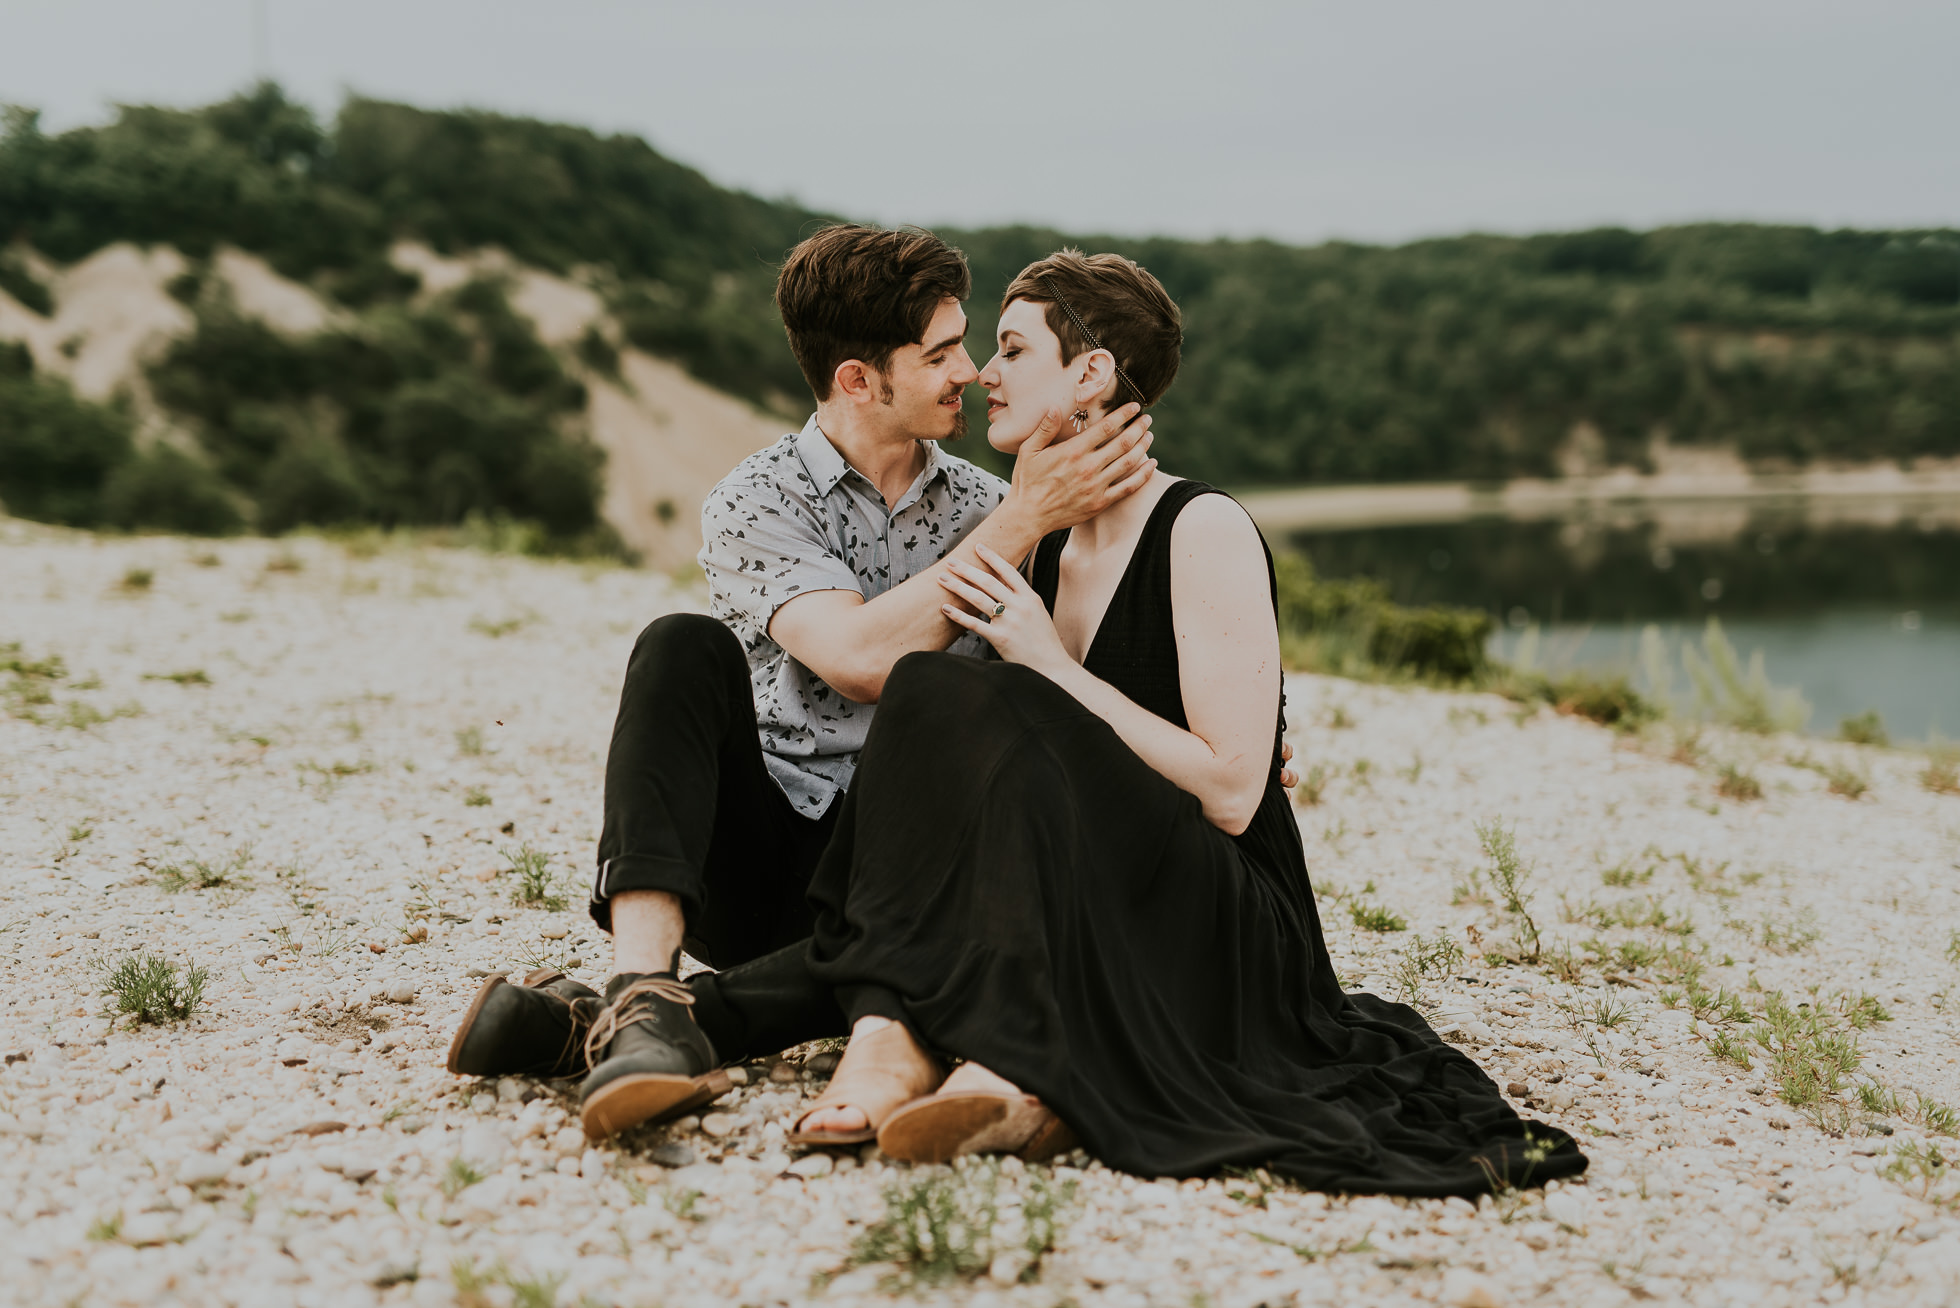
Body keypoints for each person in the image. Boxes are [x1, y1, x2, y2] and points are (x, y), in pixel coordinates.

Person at [790, 249, 1588, 1195]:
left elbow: (1232, 793)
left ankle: (996, 1065)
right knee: (933, 707)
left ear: (1090, 374)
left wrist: (1047, 664)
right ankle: (864, 1043)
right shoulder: (1033, 542)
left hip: (1218, 903)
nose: (984, 373)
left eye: (1010, 348)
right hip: (1092, 884)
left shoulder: (1200, 528)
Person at [443, 224, 1170, 1139]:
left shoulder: (991, 507)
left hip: (905, 878)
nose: (970, 371)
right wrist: (1021, 523)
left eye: (967, 343)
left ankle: (613, 1026)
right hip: (765, 860)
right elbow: (860, 661)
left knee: (943, 880)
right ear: (859, 379)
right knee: (678, 645)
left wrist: (1236, 732)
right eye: (940, 353)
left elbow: (1070, 680)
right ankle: (642, 981)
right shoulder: (759, 500)